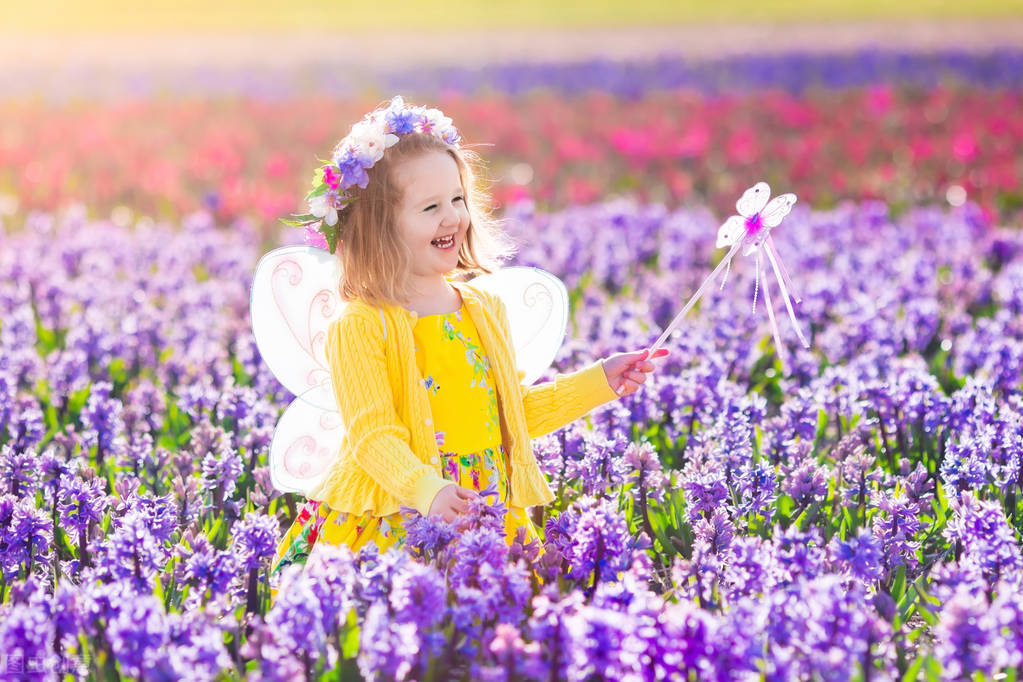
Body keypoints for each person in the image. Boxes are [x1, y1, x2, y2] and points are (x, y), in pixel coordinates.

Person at [269, 97, 667, 591]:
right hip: (401, 509)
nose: (452, 217)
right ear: (378, 228)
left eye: (458, 199)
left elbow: (511, 415)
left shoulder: (481, 308)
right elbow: (374, 437)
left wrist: (599, 382)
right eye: (430, 207)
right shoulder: (363, 324)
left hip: (481, 507)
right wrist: (426, 490)